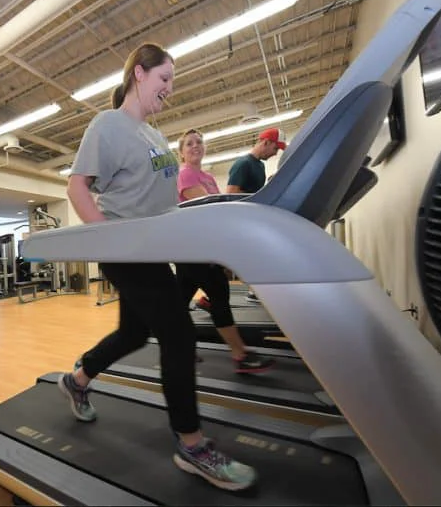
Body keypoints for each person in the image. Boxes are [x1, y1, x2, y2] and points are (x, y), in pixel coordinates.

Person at [59, 42, 257, 492]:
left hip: (152, 250)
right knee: (179, 333)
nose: (169, 88)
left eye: (172, 82)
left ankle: (77, 380)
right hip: (126, 249)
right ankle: (192, 444)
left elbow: (165, 200)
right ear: (140, 74)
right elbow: (76, 188)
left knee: (134, 332)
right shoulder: (108, 125)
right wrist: (109, 238)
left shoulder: (154, 135)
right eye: (164, 79)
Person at [174, 129, 275, 373]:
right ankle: (240, 354)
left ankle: (179, 348)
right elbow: (209, 209)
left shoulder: (207, 177)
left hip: (202, 249)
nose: (196, 146)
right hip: (192, 249)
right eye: (190, 144)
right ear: (181, 152)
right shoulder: (185, 175)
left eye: (199, 141)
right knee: (219, 295)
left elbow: (222, 206)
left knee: (178, 303)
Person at [226, 127, 287, 302]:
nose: (275, 154)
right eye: (275, 148)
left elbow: (255, 192)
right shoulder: (243, 163)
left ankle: (258, 289)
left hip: (253, 219)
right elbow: (231, 194)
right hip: (242, 220)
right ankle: (256, 290)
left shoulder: (259, 165)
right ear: (266, 142)